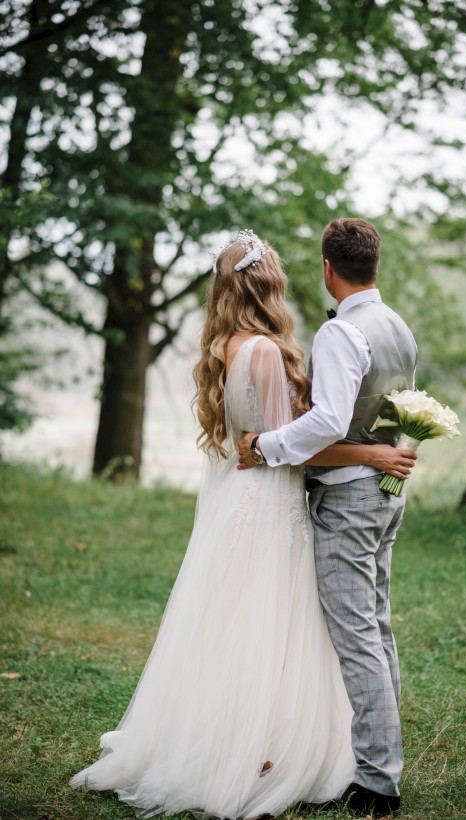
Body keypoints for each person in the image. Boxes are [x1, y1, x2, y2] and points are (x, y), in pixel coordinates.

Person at [70, 229, 413, 819]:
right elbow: (294, 445)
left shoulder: (234, 345)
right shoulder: (282, 348)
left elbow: (281, 438)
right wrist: (374, 454)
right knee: (288, 629)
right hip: (280, 502)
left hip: (266, 499)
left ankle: (314, 753)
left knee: (255, 627)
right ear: (268, 284)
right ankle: (273, 752)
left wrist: (349, 449)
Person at [238, 218, 418, 819]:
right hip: (386, 491)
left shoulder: (342, 333)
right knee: (378, 626)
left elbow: (329, 421)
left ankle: (376, 781)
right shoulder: (397, 328)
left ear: (327, 269)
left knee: (357, 635)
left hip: (346, 496)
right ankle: (383, 762)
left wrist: (265, 444)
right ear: (375, 265)